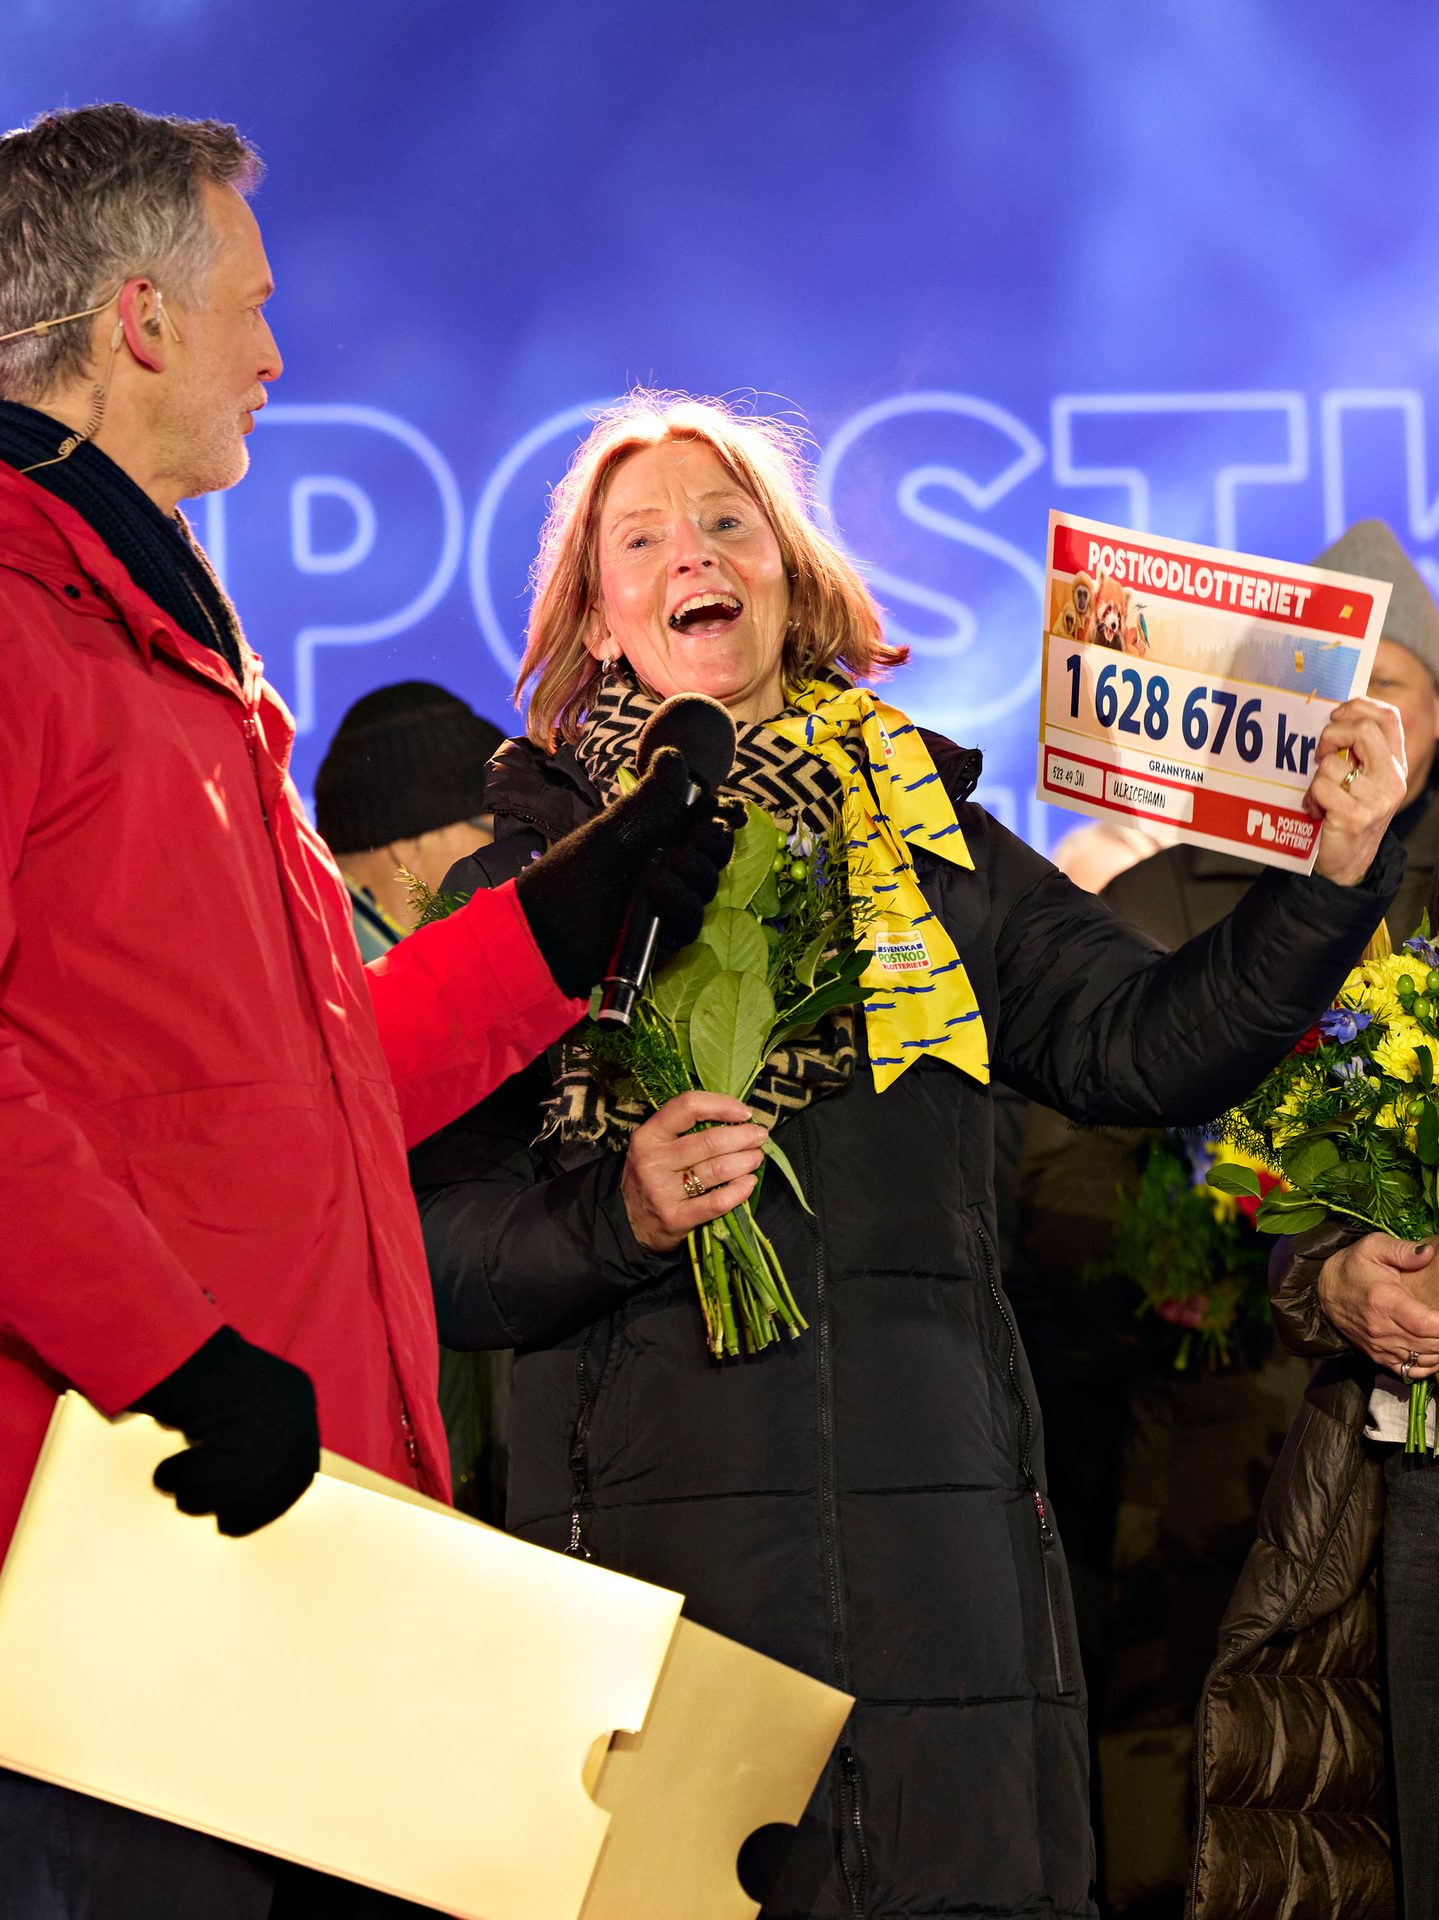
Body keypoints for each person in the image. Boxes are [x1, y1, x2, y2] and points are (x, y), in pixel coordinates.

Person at [0, 109, 732, 1918]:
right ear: (139, 320)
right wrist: (170, 1353)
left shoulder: (166, 653)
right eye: (250, 302)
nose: (275, 351)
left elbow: (318, 1082)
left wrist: (570, 918)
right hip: (130, 1594)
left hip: (290, 1574)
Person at [410, 391, 1410, 1920]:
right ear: (597, 621)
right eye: (643, 535)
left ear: (792, 577)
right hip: (651, 1588)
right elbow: (423, 1241)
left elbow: (1141, 1044)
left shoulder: (928, 842)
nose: (695, 550)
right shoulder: (523, 891)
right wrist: (611, 1214)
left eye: (729, 519)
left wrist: (1331, 877)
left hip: (944, 1588)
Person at [1020, 518, 1439, 1913]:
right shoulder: (1148, 912)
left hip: (1410, 1457)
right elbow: (1049, 1184)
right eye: (1335, 685)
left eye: (1396, 683)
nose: (1364, 715)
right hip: (1215, 1446)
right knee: (1201, 1776)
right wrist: (1189, 1251)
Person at [315, 680, 513, 1518]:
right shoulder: (341, 996)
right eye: (493, 832)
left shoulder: (325, 969)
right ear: (421, 840)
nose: (512, 860)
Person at [313, 680, 504, 962]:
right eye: (500, 831)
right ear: (411, 842)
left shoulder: (321, 970)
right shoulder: (318, 993)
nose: (528, 857)